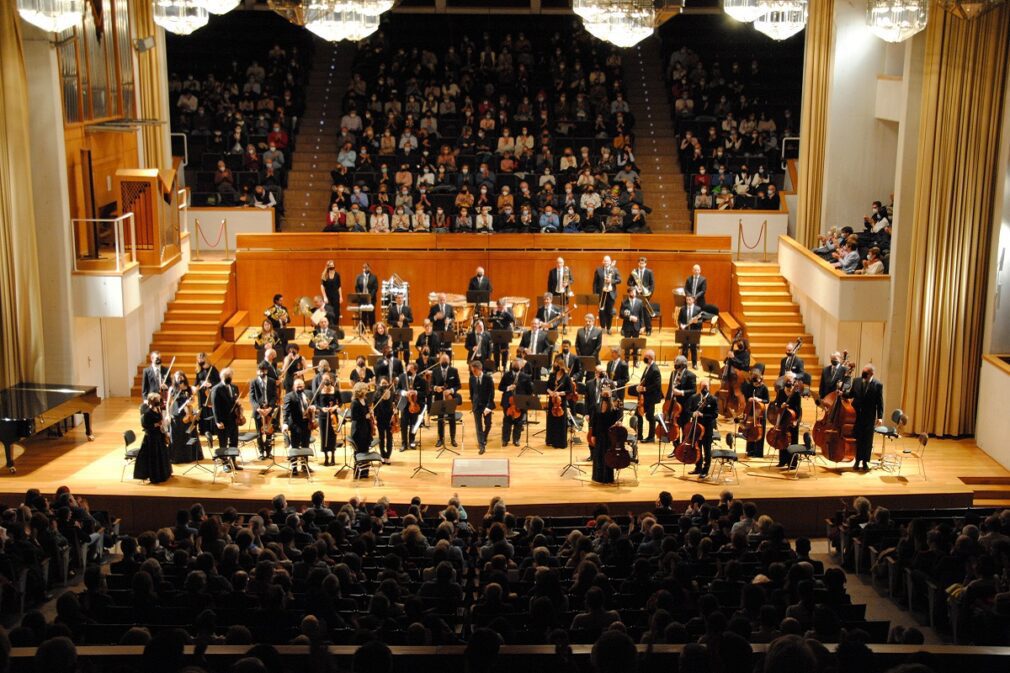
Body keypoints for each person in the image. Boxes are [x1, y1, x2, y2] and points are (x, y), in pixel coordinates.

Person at [846, 364, 884, 470]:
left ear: (872, 373)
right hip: (856, 415)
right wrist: (842, 393)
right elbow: (851, 394)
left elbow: (879, 402)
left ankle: (865, 462)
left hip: (869, 416)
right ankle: (857, 460)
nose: (864, 374)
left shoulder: (878, 385)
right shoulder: (856, 381)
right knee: (858, 437)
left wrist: (880, 416)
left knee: (867, 440)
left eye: (866, 372)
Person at [135, 393, 172, 484]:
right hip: (151, 438)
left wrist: (164, 430)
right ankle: (156, 476)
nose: (159, 402)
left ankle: (164, 474)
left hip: (158, 435)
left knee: (162, 455)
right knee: (155, 457)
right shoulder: (147, 413)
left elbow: (160, 421)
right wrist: (157, 424)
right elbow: (145, 426)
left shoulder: (157, 409)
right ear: (152, 401)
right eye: (157, 401)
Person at [210, 368, 243, 472]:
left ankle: (233, 462)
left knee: (234, 441)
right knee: (223, 443)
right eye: (227, 377)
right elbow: (215, 407)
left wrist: (239, 406)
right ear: (222, 377)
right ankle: (225, 463)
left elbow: (235, 402)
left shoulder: (234, 387)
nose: (229, 378)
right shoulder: (216, 389)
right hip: (223, 420)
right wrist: (217, 421)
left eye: (230, 376)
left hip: (234, 420)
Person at [664, 356, 696, 457]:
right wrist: (666, 403)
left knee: (684, 429)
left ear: (682, 364)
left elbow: (693, 390)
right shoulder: (673, 373)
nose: (674, 363)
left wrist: (681, 392)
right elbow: (670, 389)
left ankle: (683, 450)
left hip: (685, 407)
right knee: (674, 428)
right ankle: (676, 448)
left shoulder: (691, 375)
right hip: (674, 407)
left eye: (676, 362)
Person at [590, 388, 624, 484]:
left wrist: (618, 423)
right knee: (598, 456)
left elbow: (618, 422)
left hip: (609, 437)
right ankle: (597, 477)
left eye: (606, 396)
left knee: (607, 457)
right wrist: (593, 435)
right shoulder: (597, 407)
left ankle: (607, 478)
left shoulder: (614, 410)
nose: (604, 399)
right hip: (599, 435)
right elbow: (594, 423)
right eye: (603, 395)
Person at [167, 372, 201, 464]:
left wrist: (190, 402)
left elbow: (195, 402)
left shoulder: (190, 389)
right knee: (176, 437)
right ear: (175, 379)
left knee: (188, 436)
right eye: (177, 377)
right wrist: (167, 414)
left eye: (181, 377)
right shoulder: (172, 389)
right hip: (175, 415)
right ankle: (176, 457)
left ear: (184, 378)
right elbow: (168, 403)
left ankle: (189, 456)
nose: (179, 379)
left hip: (187, 416)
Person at [688, 380, 719, 478]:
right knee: (697, 448)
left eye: (706, 386)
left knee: (707, 449)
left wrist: (703, 415)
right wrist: (693, 413)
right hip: (696, 428)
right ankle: (698, 468)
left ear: (709, 387)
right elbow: (688, 410)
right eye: (703, 386)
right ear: (699, 387)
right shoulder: (694, 398)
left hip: (707, 428)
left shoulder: (713, 399)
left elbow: (715, 414)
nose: (704, 388)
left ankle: (705, 470)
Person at [249, 362, 279, 460]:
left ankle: (269, 452)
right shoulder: (253, 382)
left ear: (266, 371)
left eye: (264, 370)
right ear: (257, 371)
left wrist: (270, 408)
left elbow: (275, 396)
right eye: (260, 371)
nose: (262, 373)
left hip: (269, 410)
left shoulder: (271, 381)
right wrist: (258, 408)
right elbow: (252, 398)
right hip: (259, 411)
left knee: (269, 432)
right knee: (259, 433)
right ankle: (261, 452)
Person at [282, 378, 313, 476]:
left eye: (302, 386)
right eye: (298, 387)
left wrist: (313, 408)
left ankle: (304, 465)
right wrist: (285, 423)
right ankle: (294, 467)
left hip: (306, 424)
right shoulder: (289, 396)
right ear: (294, 387)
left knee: (306, 444)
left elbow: (313, 404)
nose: (300, 388)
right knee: (295, 446)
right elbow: (285, 411)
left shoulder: (308, 394)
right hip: (295, 425)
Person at [499, 359, 532, 448]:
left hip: (520, 402)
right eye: (514, 364)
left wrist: (526, 402)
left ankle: (516, 439)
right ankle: (505, 439)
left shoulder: (526, 377)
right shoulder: (506, 375)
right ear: (512, 365)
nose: (516, 366)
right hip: (508, 402)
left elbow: (529, 391)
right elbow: (500, 387)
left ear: (521, 366)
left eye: (518, 364)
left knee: (519, 422)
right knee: (507, 422)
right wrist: (508, 388)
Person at [431, 353, 461, 448]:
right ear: (440, 361)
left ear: (449, 361)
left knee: (451, 419)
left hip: (450, 398)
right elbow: (431, 385)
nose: (444, 362)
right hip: (439, 398)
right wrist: (436, 388)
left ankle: (453, 439)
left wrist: (451, 390)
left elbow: (458, 385)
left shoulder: (454, 370)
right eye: (442, 360)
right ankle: (440, 439)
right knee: (440, 419)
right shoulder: (435, 371)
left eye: (446, 361)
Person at [773, 373, 803, 468]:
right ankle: (782, 461)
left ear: (793, 382)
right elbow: (776, 404)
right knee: (782, 440)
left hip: (792, 420)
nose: (788, 382)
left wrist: (796, 421)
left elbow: (799, 409)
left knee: (793, 440)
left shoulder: (796, 393)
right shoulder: (781, 392)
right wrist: (780, 406)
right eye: (786, 380)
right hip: (783, 419)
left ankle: (792, 463)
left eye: (790, 381)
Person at [397, 362, 428, 452]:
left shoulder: (421, 380)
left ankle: (412, 442)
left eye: (410, 369)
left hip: (415, 405)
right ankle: (404, 444)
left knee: (413, 424)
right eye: (407, 369)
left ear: (415, 370)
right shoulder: (402, 377)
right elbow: (397, 389)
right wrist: (404, 393)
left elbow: (425, 393)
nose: (408, 371)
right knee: (403, 424)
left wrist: (416, 392)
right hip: (405, 405)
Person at [739, 369, 770, 459]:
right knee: (750, 430)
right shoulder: (749, 387)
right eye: (754, 380)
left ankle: (758, 452)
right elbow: (745, 396)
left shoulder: (764, 388)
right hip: (751, 411)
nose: (755, 383)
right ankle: (750, 450)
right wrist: (749, 399)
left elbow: (767, 400)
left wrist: (759, 400)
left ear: (760, 379)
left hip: (760, 413)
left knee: (760, 431)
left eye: (757, 380)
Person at [545, 356, 572, 449]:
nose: (555, 365)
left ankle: (560, 442)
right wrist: (551, 392)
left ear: (561, 366)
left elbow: (569, 390)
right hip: (552, 401)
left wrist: (559, 393)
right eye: (554, 363)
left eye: (557, 364)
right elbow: (547, 387)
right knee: (551, 420)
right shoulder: (552, 375)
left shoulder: (566, 377)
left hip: (560, 402)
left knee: (560, 421)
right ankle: (551, 440)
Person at [469, 361, 495, 455]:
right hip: (476, 406)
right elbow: (472, 393)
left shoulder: (488, 378)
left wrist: (488, 407)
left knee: (488, 424)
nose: (473, 372)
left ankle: (484, 437)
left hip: (486, 405)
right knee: (478, 426)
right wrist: (473, 404)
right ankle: (481, 446)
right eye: (472, 371)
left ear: (480, 369)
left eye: (474, 370)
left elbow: (492, 393)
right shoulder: (471, 378)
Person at [194, 352, 220, 445]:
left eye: (202, 359)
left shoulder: (213, 369)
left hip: (210, 393)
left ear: (206, 359)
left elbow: (219, 382)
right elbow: (196, 382)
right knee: (203, 411)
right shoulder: (198, 370)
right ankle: (205, 430)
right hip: (202, 395)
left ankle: (213, 430)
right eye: (199, 359)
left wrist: (210, 384)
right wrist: (197, 386)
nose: (201, 360)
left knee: (211, 411)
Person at [315, 374, 341, 467]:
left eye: (328, 379)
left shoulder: (336, 390)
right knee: (324, 436)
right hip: (323, 416)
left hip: (333, 416)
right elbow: (316, 404)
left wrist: (334, 407)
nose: (327, 388)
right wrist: (321, 408)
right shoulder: (319, 391)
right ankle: (326, 457)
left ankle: (333, 457)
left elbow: (340, 402)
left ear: (330, 380)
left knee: (332, 436)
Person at [593, 256, 622, 334]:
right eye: (605, 261)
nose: (606, 262)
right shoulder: (598, 270)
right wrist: (595, 295)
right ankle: (603, 328)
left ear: (610, 261)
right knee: (601, 312)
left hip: (611, 294)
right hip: (601, 293)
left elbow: (619, 280)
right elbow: (595, 283)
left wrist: (611, 281)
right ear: (602, 262)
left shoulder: (615, 270)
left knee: (609, 312)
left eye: (607, 261)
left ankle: (609, 328)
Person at [630, 257, 655, 335]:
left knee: (646, 313)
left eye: (643, 263)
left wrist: (648, 294)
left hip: (645, 295)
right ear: (638, 263)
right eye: (640, 263)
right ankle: (637, 329)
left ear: (645, 264)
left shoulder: (649, 272)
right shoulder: (634, 272)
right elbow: (629, 282)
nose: (641, 264)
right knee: (636, 312)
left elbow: (652, 285)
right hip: (636, 295)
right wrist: (635, 287)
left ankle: (648, 330)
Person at [349, 382, 374, 462]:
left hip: (366, 428)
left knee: (365, 449)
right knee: (359, 451)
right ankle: (359, 470)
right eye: (365, 389)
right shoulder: (355, 402)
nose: (367, 391)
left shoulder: (365, 400)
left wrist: (370, 411)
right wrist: (365, 416)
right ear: (360, 391)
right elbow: (353, 417)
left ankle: (365, 471)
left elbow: (366, 412)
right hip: (358, 430)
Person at [488, 299, 515, 370]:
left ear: (504, 306)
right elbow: (489, 320)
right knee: (496, 349)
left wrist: (505, 312)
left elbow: (512, 319)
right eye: (498, 307)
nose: (499, 308)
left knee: (505, 350)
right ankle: (496, 366)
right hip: (496, 332)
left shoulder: (509, 310)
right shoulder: (495, 311)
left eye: (501, 307)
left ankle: (504, 365)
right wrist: (493, 314)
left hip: (505, 332)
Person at [373, 378, 395, 464]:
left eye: (385, 383)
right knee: (381, 438)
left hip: (390, 419)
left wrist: (395, 410)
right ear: (379, 385)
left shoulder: (392, 393)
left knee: (389, 437)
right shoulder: (377, 394)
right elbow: (375, 406)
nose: (384, 385)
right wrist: (374, 418)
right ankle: (382, 455)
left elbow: (395, 403)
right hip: (380, 418)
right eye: (382, 384)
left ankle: (388, 456)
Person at [678, 295, 704, 368]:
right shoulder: (683, 309)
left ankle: (694, 364)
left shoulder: (698, 309)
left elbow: (701, 321)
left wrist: (696, 322)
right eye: (687, 300)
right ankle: (684, 364)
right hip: (685, 331)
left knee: (693, 348)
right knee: (684, 348)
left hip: (694, 331)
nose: (688, 301)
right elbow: (679, 320)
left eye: (689, 299)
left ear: (693, 300)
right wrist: (681, 325)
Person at [386, 293, 413, 360]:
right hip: (395, 331)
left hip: (405, 331)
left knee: (406, 350)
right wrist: (396, 323)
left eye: (401, 298)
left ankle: (407, 364)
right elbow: (388, 321)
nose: (400, 299)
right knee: (395, 349)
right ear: (396, 299)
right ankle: (396, 363)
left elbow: (411, 320)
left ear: (403, 299)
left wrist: (405, 319)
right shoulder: (392, 309)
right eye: (398, 298)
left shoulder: (407, 308)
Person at [354, 263, 379, 329]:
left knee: (371, 314)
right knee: (363, 314)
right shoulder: (359, 277)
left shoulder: (374, 277)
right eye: (364, 267)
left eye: (367, 267)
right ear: (362, 268)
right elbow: (357, 287)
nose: (365, 268)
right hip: (362, 298)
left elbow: (375, 288)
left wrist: (370, 296)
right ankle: (362, 329)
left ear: (369, 268)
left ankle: (372, 329)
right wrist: (360, 296)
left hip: (371, 298)